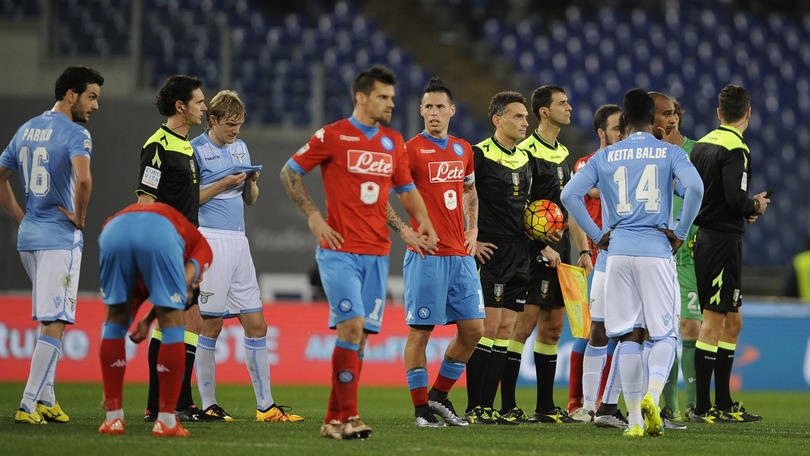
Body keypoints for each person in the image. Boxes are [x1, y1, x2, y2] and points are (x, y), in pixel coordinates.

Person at [279, 65, 437, 440]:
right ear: (361, 97)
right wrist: (314, 216)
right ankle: (350, 416)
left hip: (377, 254)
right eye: (383, 97)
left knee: (361, 336)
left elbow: (405, 189)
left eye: (393, 98)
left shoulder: (392, 141)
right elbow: (290, 172)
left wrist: (422, 221)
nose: (391, 104)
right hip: (339, 251)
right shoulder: (333, 135)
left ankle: (332, 421)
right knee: (351, 326)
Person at [562, 88, 703, 437]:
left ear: (624, 121)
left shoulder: (606, 156)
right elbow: (696, 189)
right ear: (652, 120)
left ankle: (636, 424)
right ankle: (651, 399)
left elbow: (569, 194)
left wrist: (597, 235)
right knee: (664, 334)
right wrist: (680, 231)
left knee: (627, 336)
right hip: (656, 248)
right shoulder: (669, 152)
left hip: (618, 252)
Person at [191, 90, 303, 422]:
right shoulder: (195, 150)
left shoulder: (240, 147)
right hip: (210, 241)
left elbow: (249, 199)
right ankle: (208, 402)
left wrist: (251, 184)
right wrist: (225, 182)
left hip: (239, 243)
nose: (236, 131)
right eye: (230, 125)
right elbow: (188, 200)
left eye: (239, 125)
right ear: (212, 120)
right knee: (210, 326)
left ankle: (266, 407)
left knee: (257, 323)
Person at [0, 66, 103, 424]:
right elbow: (85, 181)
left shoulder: (27, 128)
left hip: (28, 238)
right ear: (71, 95)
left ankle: (47, 399)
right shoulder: (76, 134)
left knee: (49, 317)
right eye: (91, 96)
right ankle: (28, 405)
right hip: (60, 237)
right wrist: (80, 216)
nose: (95, 106)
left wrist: (18, 214)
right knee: (56, 319)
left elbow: (1, 175)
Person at [386, 77, 484, 428]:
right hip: (427, 257)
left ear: (452, 110)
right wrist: (405, 231)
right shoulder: (409, 150)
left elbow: (469, 191)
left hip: (460, 255)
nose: (434, 113)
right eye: (428, 106)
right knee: (421, 332)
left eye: (440, 106)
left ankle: (439, 397)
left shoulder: (463, 149)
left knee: (473, 330)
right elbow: (382, 195)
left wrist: (472, 228)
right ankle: (420, 411)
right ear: (420, 110)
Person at [500, 85, 591, 424]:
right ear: (543, 111)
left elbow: (569, 207)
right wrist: (542, 244)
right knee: (522, 327)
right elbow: (518, 206)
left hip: (562, 252)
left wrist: (582, 249)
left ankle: (544, 407)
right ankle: (507, 405)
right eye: (562, 103)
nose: (569, 108)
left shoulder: (563, 154)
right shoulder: (525, 151)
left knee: (552, 329)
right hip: (531, 253)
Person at [97, 202, 212, 437]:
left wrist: (147, 320)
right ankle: (167, 420)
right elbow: (180, 289)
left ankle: (113, 417)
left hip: (112, 231)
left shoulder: (175, 228)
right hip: (158, 234)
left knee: (115, 320)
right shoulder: (202, 248)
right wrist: (183, 290)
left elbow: (155, 288)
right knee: (173, 322)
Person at [689, 84, 769, 423]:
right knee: (714, 320)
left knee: (732, 322)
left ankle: (723, 402)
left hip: (711, 236)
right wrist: (754, 205)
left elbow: (703, 194)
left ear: (719, 113)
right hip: (721, 241)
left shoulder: (702, 144)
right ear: (747, 114)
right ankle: (703, 407)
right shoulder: (736, 148)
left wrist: (742, 209)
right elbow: (735, 199)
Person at [135, 75, 208, 422]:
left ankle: (179, 399)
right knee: (174, 318)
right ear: (181, 106)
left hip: (188, 245)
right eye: (199, 102)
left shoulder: (187, 146)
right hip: (169, 245)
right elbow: (146, 200)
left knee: (188, 319)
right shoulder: (158, 145)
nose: (204, 107)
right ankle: (161, 403)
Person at [463, 91, 531, 425]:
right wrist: (471, 241)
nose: (524, 122)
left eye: (526, 117)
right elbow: (464, 197)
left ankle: (491, 407)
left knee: (506, 328)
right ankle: (476, 405)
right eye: (518, 116)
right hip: (491, 250)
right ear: (497, 120)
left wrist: (542, 236)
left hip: (520, 251)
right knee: (487, 328)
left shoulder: (525, 158)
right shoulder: (477, 154)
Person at [574, 104, 623, 423]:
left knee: (623, 332)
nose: (623, 133)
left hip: (620, 253)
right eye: (618, 128)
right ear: (601, 132)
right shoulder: (587, 163)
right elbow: (576, 198)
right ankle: (580, 403)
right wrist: (585, 251)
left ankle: (610, 404)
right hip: (593, 256)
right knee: (590, 330)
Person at [650, 91, 696, 429]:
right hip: (656, 251)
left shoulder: (698, 151)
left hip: (690, 253)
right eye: (665, 113)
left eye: (674, 112)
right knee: (660, 329)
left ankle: (695, 405)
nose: (672, 118)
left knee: (692, 327)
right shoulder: (648, 153)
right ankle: (667, 406)